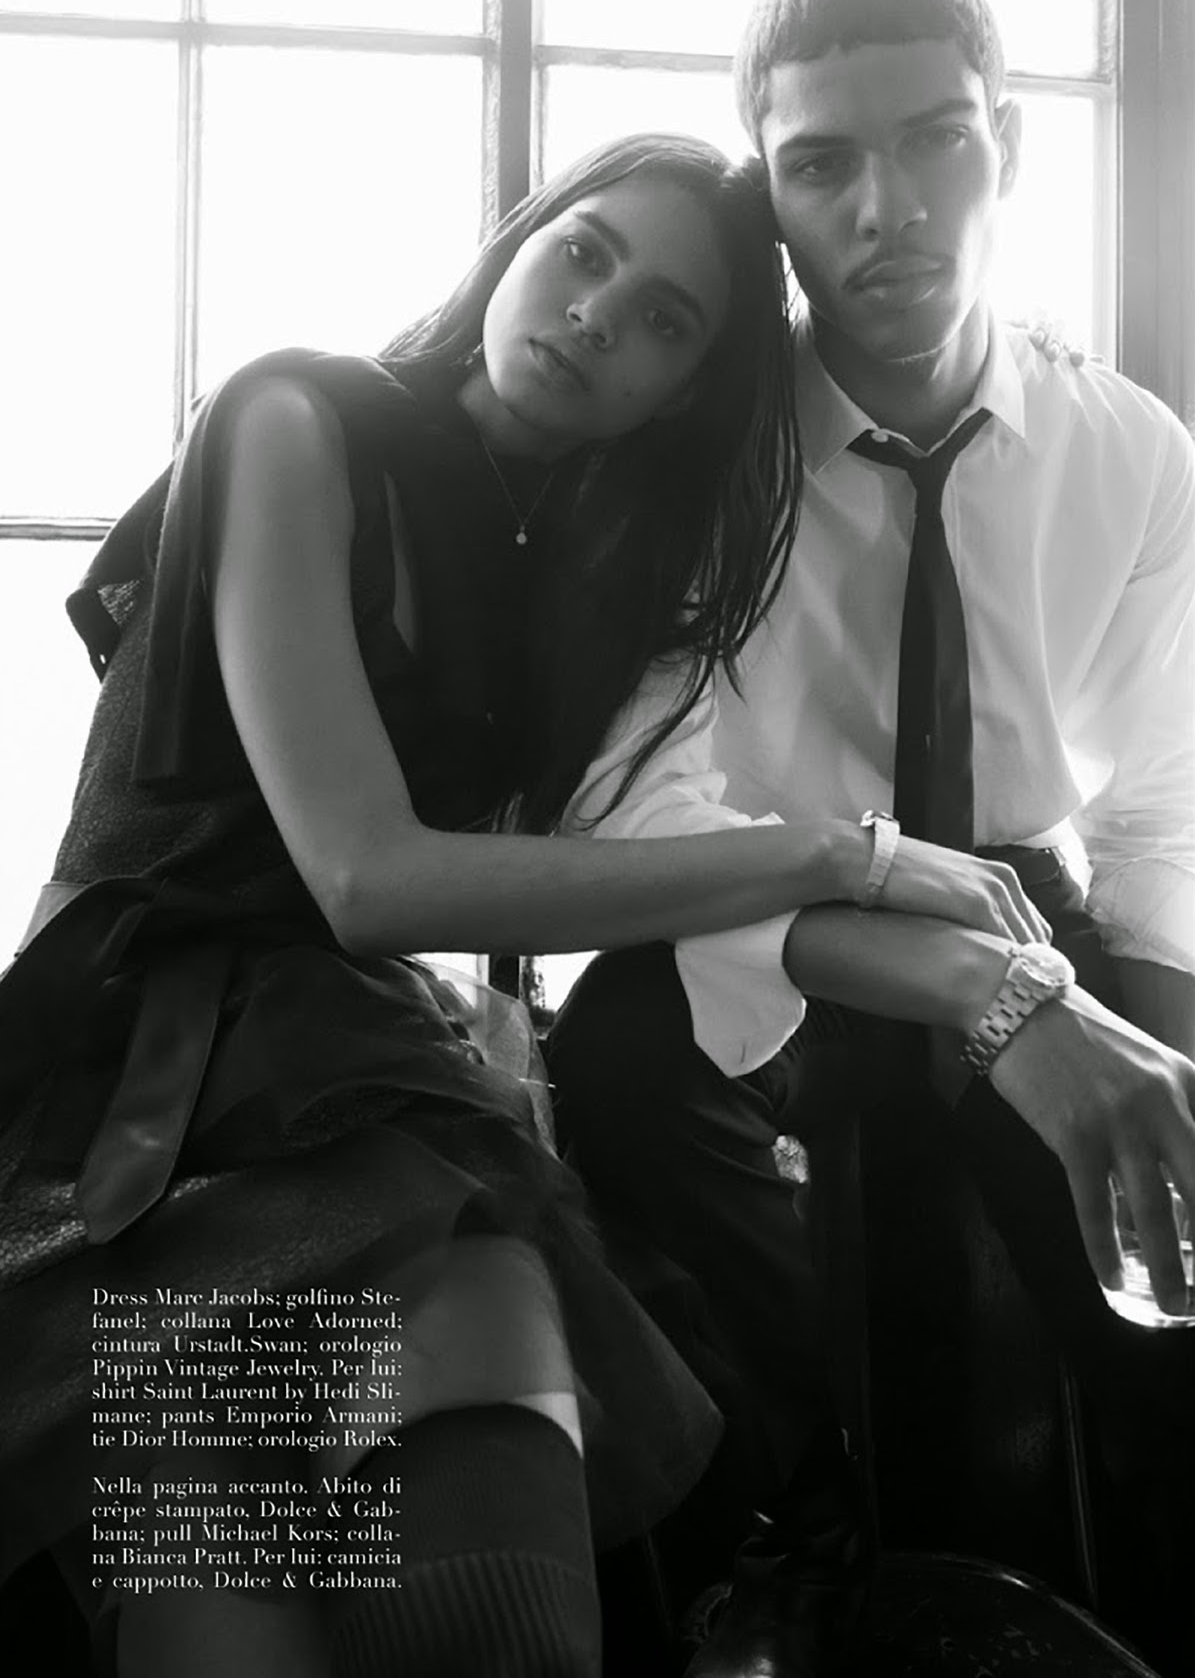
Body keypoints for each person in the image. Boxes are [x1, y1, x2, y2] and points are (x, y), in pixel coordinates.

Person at [0, 132, 1048, 1678]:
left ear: (682, 392)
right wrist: (847, 853)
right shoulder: (294, 412)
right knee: (235, 1599)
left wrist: (1003, 986)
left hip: (364, 1077)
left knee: (500, 1602)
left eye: (664, 320)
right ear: (521, 237)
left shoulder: (568, 566)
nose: (596, 315)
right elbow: (367, 879)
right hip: (140, 1078)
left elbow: (629, 837)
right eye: (585, 253)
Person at [548, 0, 1195, 1678]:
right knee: (621, 1063)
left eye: (935, 141)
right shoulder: (697, 446)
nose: (884, 208)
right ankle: (808, 1512)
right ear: (767, 191)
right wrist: (994, 999)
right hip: (770, 911)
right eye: (822, 162)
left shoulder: (1132, 450)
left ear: (1010, 147)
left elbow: (1155, 821)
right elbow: (629, 812)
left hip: (1024, 897)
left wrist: (1148, 1055)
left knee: (1164, 1307)